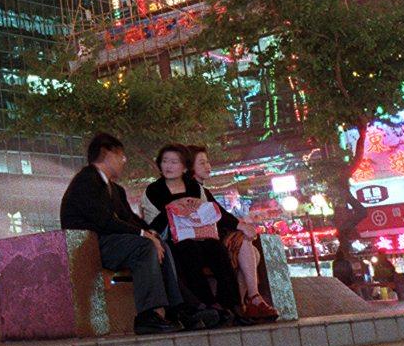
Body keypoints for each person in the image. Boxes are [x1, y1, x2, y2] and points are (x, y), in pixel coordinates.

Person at [61, 132, 221, 335]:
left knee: (159, 244)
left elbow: (129, 218)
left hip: (114, 242)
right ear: (108, 154)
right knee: (144, 247)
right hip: (90, 246)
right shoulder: (87, 180)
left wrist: (151, 233)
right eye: (122, 156)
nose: (124, 162)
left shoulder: (115, 189)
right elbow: (104, 221)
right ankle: (148, 315)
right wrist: (143, 236)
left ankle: (178, 309)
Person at [145, 145, 241, 323]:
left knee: (217, 249)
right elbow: (152, 225)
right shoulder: (153, 190)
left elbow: (206, 213)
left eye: (174, 162)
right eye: (165, 161)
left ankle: (231, 304)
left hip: (200, 235)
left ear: (184, 166)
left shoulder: (195, 187)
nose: (168, 166)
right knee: (188, 250)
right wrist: (173, 209)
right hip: (173, 240)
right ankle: (206, 303)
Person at [189, 146, 278, 321]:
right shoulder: (191, 189)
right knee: (244, 241)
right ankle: (253, 297)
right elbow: (217, 215)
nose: (208, 166)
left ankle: (244, 305)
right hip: (204, 243)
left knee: (254, 254)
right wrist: (241, 226)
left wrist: (241, 224)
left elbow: (219, 213)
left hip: (213, 240)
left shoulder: (202, 190)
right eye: (202, 162)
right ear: (189, 166)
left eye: (207, 161)